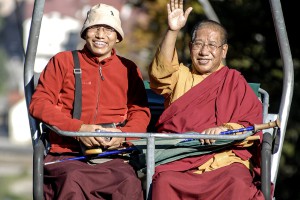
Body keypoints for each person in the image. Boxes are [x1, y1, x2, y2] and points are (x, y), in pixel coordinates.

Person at [29, 3, 150, 200]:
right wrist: (79, 130)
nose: (101, 35)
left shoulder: (128, 68)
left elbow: (140, 111)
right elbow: (39, 104)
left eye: (109, 29)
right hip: (67, 154)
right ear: (85, 33)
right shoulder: (62, 62)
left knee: (129, 184)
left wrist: (123, 135)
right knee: (73, 182)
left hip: (113, 157)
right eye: (95, 28)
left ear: (118, 37)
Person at [148, 0, 264, 199]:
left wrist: (225, 129)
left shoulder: (234, 82)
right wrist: (172, 31)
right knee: (164, 183)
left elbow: (251, 125)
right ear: (191, 46)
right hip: (180, 159)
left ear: (223, 51)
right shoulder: (180, 76)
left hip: (224, 159)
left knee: (237, 181)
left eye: (212, 45)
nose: (204, 52)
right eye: (199, 44)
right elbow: (160, 75)